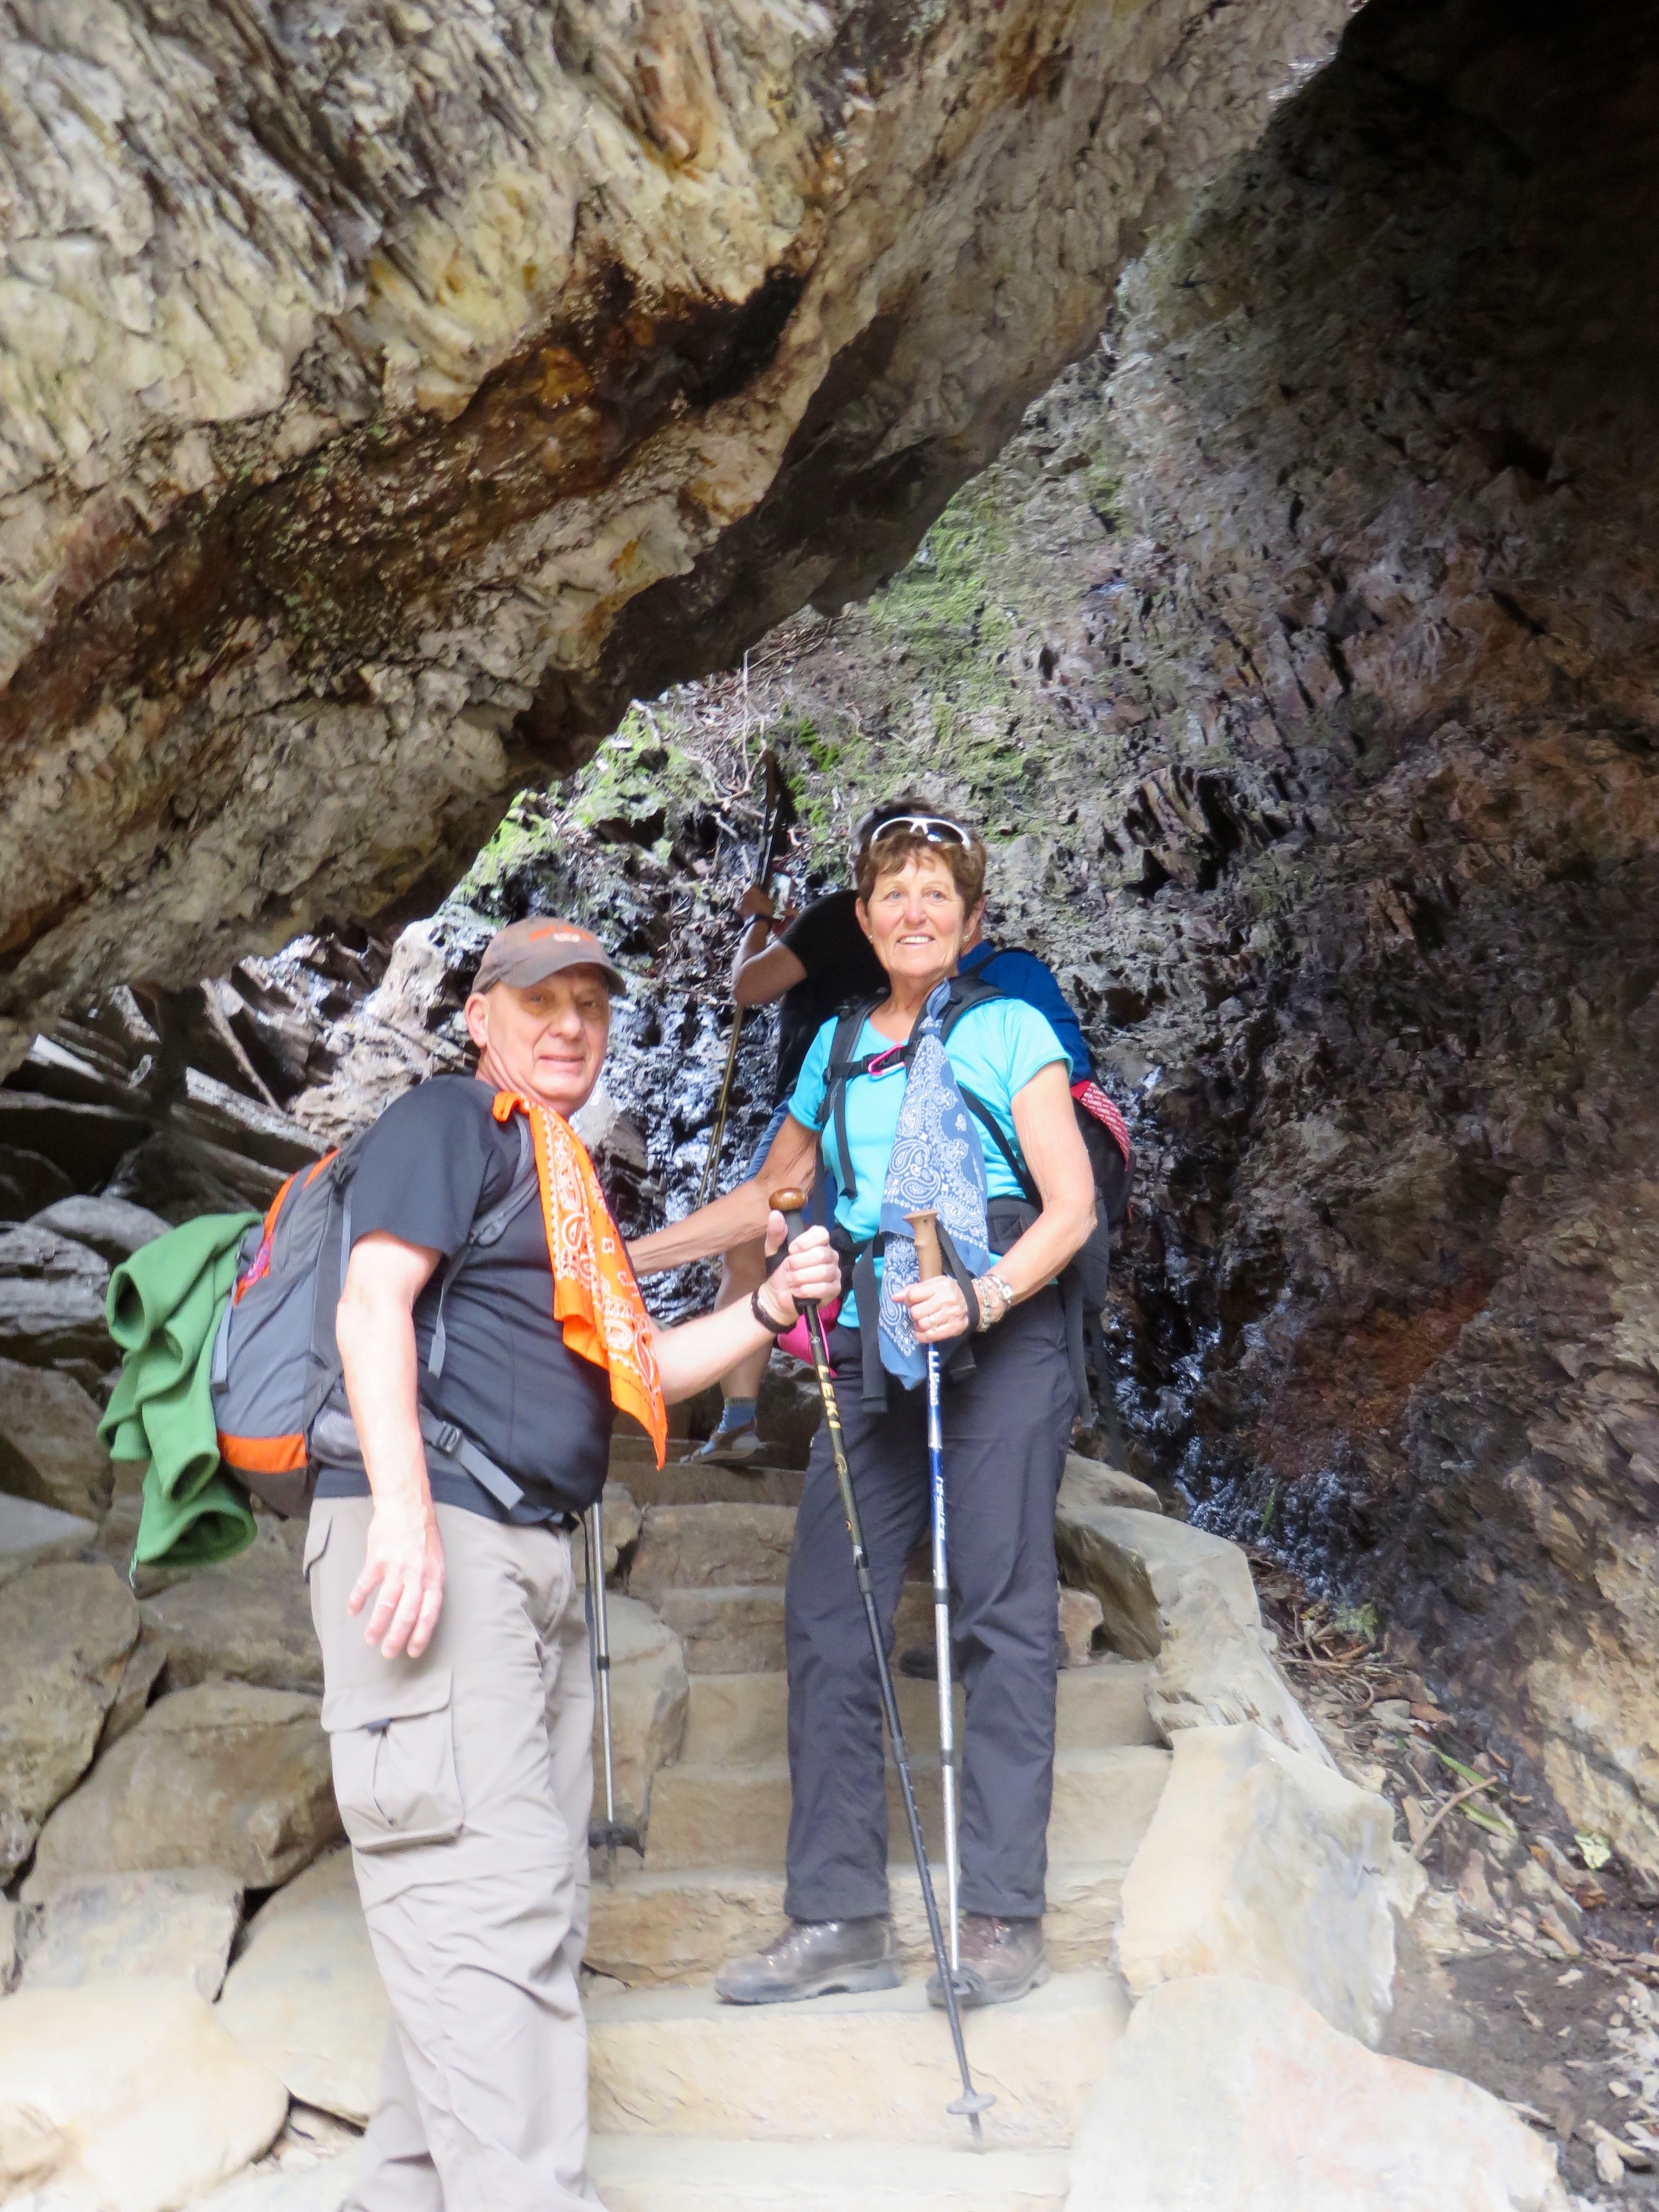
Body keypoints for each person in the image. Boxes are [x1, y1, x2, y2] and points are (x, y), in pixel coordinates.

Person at [305, 915, 840, 2212]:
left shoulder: (561, 1181)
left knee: (508, 1906)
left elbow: (638, 1375)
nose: (570, 1025)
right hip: (446, 1547)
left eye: (592, 1004)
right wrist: (403, 1510)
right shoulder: (451, 1121)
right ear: (481, 1015)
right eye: (540, 1000)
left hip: (534, 1560)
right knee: (488, 1919)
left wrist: (765, 1309)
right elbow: (371, 1301)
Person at [630, 810, 1096, 2009]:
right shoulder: (834, 1047)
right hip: (876, 1332)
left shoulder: (1011, 1028)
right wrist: (617, 1259)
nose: (916, 909)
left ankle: (1000, 1917)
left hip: (1004, 1321)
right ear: (866, 918)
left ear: (971, 919)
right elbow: (767, 1198)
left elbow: (1072, 1203)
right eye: (895, 891)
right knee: (831, 1607)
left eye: (938, 891)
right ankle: (837, 1914)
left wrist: (985, 1294)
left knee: (1000, 1602)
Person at [692, 863, 886, 1462]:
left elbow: (749, 985)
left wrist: (758, 922)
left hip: (820, 1103)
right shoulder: (917, 931)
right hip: (888, 1105)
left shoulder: (838, 914)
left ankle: (738, 1421)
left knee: (749, 1247)